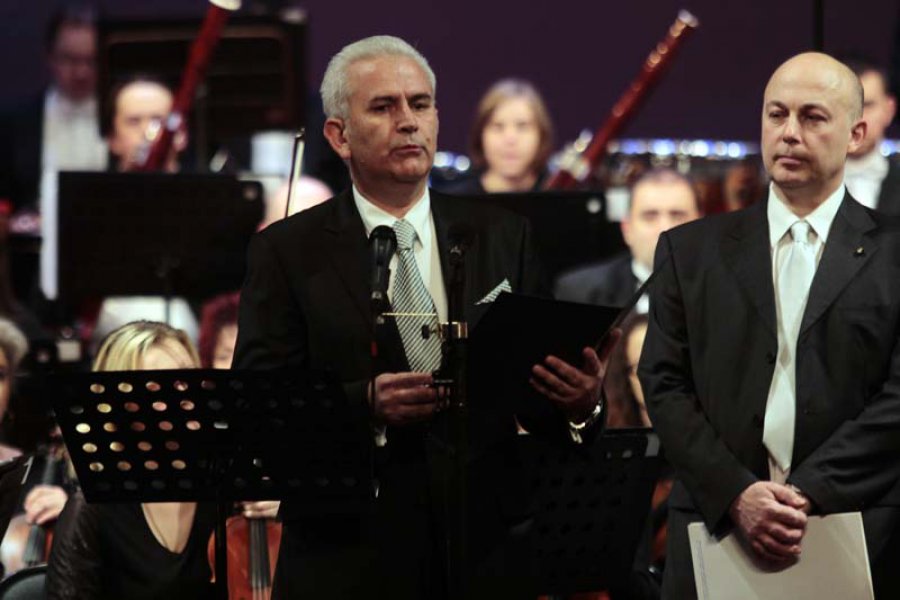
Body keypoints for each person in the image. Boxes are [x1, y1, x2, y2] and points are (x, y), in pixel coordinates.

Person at [233, 35, 610, 599]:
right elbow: (258, 405)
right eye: (383, 107)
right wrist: (364, 403)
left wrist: (582, 404)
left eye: (421, 104)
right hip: (348, 558)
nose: (408, 121)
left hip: (483, 552)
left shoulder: (503, 235)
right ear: (338, 135)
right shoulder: (287, 251)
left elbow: (537, 404)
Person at [638, 52, 900, 598]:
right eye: (776, 114)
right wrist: (737, 494)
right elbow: (663, 383)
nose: (789, 133)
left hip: (857, 530)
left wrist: (805, 493)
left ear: (856, 134)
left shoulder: (894, 254)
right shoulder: (689, 252)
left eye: (813, 117)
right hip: (714, 525)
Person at [46, 321, 216, 600]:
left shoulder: (224, 494)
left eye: (187, 379)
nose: (185, 395)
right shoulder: (91, 510)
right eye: (161, 385)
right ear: (121, 405)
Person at [0, 3, 107, 214]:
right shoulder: (14, 124)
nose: (81, 73)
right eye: (70, 59)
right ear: (50, 57)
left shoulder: (127, 119)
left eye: (91, 60)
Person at [554, 168, 700, 312]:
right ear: (627, 230)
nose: (665, 229)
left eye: (678, 216)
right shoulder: (579, 293)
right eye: (650, 216)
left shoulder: (715, 290)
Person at [446, 78, 554, 194]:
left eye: (522, 126)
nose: (510, 139)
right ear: (480, 135)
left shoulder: (560, 194)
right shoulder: (453, 200)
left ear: (541, 135)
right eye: (498, 126)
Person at [843, 57, 900, 214]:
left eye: (867, 105)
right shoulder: (805, 183)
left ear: (889, 110)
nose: (858, 119)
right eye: (848, 106)